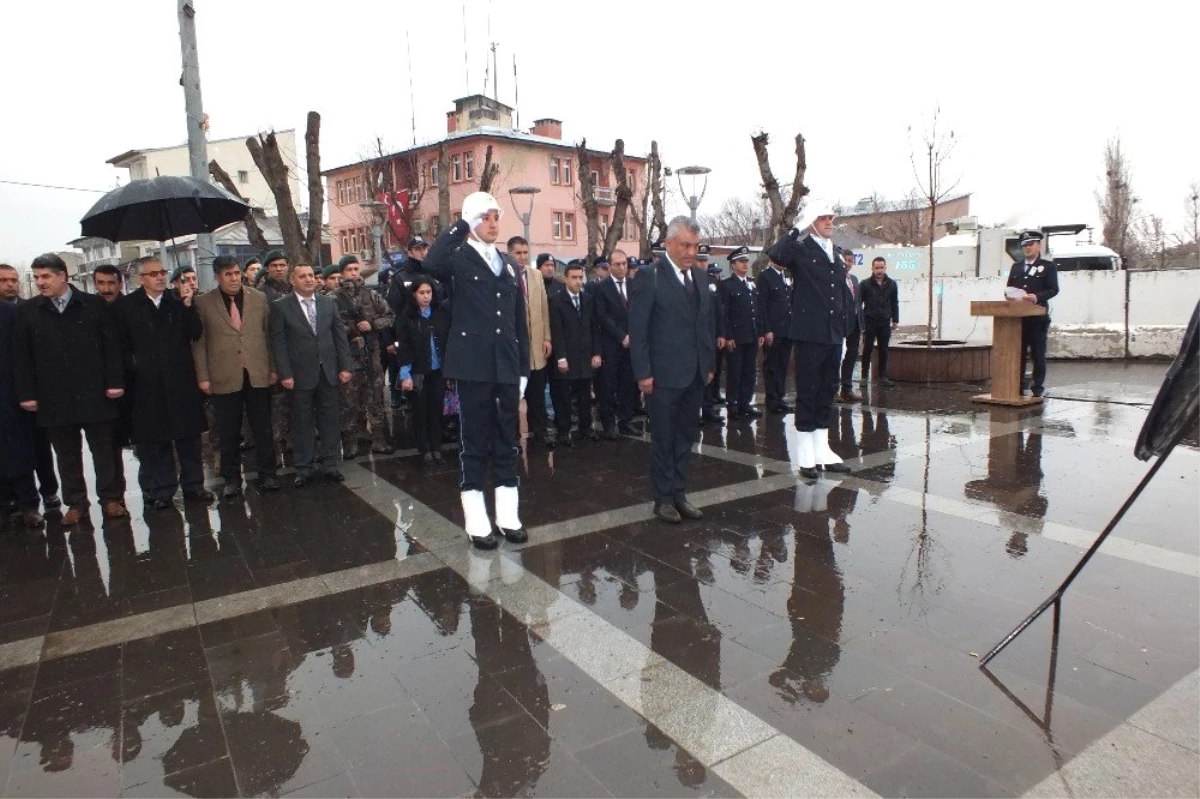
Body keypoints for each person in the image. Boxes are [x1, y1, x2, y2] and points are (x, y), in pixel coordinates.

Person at [424, 192, 530, 550]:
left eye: (496, 217)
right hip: (473, 365)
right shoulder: (458, 259)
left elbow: (519, 321)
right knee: (474, 442)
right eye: (486, 217)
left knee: (506, 439)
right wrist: (462, 223)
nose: (493, 223)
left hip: (505, 364)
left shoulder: (509, 264)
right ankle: (476, 518)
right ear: (472, 221)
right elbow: (432, 263)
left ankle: (507, 514)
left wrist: (524, 368)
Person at [12, 253, 128, 524]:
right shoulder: (29, 312)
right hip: (54, 397)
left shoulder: (93, 305)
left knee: (104, 450)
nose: (40, 282)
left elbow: (112, 347)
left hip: (95, 393)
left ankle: (111, 498)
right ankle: (76, 503)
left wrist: (115, 382)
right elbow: (21, 357)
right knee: (66, 454)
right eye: (37, 277)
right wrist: (27, 394)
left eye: (46, 276)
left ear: (62, 276)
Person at [629, 217, 716, 524]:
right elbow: (638, 331)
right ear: (668, 244)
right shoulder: (649, 277)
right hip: (663, 376)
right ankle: (663, 498)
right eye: (685, 245)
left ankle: (680, 493)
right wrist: (644, 373)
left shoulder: (701, 278)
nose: (692, 252)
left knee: (685, 437)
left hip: (694, 374)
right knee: (664, 438)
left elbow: (706, 325)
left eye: (695, 245)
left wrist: (708, 366)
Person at [113, 256, 213, 509]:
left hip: (180, 380)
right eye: (154, 273)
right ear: (141, 279)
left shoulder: (177, 300)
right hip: (146, 384)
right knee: (156, 441)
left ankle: (194, 486)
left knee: (188, 438)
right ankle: (163, 490)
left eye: (163, 272)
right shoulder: (127, 307)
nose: (160, 277)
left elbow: (195, 333)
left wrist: (189, 306)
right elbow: (120, 346)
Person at [766, 203, 853, 481]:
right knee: (808, 390)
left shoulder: (836, 254)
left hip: (832, 334)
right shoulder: (801, 250)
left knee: (827, 390)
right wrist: (796, 228)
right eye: (823, 218)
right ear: (812, 222)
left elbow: (841, 293)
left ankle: (822, 450)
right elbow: (776, 254)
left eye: (831, 218)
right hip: (809, 333)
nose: (829, 222)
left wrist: (845, 329)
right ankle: (806, 454)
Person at [191, 255, 279, 498]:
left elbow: (267, 334)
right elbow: (199, 344)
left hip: (257, 372)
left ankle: (268, 474)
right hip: (223, 375)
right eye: (227, 274)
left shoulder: (258, 298)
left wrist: (273, 367)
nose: (233, 278)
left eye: (236, 273)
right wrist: (203, 377)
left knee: (263, 427)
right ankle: (230, 478)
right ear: (218, 276)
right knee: (227, 430)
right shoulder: (204, 303)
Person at [270, 264, 353, 486]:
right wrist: (285, 373)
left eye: (310, 276)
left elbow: (339, 337)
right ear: (292, 280)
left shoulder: (328, 303)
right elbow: (278, 343)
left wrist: (345, 366)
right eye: (302, 276)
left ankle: (331, 464)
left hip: (328, 372)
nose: (308, 280)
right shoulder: (281, 307)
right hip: (299, 374)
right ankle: (304, 467)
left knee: (329, 419)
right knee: (302, 421)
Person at [333, 255, 395, 456]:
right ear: (342, 272)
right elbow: (326, 326)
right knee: (348, 401)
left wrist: (372, 324)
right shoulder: (332, 298)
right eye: (349, 269)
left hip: (371, 354)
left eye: (355, 268)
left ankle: (379, 439)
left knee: (375, 398)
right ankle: (350, 443)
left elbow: (390, 316)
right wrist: (347, 330)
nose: (353, 273)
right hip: (348, 357)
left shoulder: (372, 295)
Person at [394, 276, 451, 462]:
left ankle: (437, 448)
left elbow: (446, 341)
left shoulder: (439, 313)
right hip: (418, 371)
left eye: (429, 292)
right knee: (420, 410)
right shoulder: (407, 317)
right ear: (414, 294)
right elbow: (404, 347)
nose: (426, 297)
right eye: (422, 293)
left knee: (436, 410)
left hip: (438, 371)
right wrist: (405, 374)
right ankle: (425, 448)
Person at [507, 236, 553, 449]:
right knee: (514, 395)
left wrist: (547, 337)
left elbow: (544, 308)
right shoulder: (502, 276)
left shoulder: (535, 275)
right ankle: (513, 437)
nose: (522, 257)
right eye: (518, 253)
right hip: (514, 349)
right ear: (510, 253)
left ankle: (540, 433)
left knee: (537, 394)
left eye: (525, 252)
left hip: (536, 348)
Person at [549, 262, 602, 446]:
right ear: (565, 279)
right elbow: (557, 331)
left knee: (585, 395)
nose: (578, 281)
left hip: (585, 355)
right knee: (564, 396)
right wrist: (560, 357)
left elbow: (594, 327)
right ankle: (564, 431)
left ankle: (585, 428)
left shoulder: (588, 298)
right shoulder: (556, 300)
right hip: (567, 356)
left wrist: (597, 353)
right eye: (574, 277)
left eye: (581, 277)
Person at [0, 299, 42, 529]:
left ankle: (28, 506)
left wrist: (26, 390)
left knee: (17, 451)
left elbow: (22, 354)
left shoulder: (9, 312)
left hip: (8, 393)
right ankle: (4, 507)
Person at [1006, 230, 1059, 397]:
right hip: (1018, 319)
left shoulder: (1047, 267)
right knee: (1018, 354)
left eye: (1031, 244)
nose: (1027, 248)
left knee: (1037, 354)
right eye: (1024, 245)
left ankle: (1037, 389)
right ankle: (1017, 387)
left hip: (1037, 318)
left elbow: (1053, 289)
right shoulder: (1016, 267)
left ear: (1039, 246)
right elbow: (1009, 289)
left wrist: (1036, 297)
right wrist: (1011, 296)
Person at [594, 249, 638, 438]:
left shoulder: (634, 284)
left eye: (624, 264)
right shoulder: (601, 287)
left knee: (628, 385)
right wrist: (622, 336)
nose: (622, 268)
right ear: (609, 266)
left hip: (633, 345)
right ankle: (609, 424)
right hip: (611, 346)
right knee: (608, 387)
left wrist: (634, 335)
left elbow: (640, 312)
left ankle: (626, 421)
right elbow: (603, 316)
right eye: (617, 264)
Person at [720, 246, 765, 419]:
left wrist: (760, 332)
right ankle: (733, 405)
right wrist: (728, 335)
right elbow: (725, 313)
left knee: (749, 372)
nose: (745, 264)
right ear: (733, 264)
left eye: (746, 261)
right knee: (735, 372)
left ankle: (745, 403)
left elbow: (757, 310)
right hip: (736, 337)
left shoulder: (751, 284)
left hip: (751, 335)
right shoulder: (727, 285)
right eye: (741, 261)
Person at [257, 250, 292, 455]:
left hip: (296, 355)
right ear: (267, 269)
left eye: (282, 265)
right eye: (274, 265)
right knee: (277, 406)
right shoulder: (261, 294)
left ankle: (294, 444)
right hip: (273, 356)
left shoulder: (293, 289)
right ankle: (276, 450)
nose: (279, 269)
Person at [758, 252, 794, 413]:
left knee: (783, 365)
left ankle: (780, 396)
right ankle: (772, 399)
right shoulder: (765, 277)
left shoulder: (785, 276)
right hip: (773, 329)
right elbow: (762, 305)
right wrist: (766, 330)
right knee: (772, 365)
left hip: (787, 329)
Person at [860, 256, 899, 387]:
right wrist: (861, 323)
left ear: (885, 268)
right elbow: (858, 304)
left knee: (884, 349)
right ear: (872, 268)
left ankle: (883, 377)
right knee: (867, 349)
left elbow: (894, 302)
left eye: (881, 267)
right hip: (869, 321)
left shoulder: (892, 284)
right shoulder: (865, 284)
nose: (879, 270)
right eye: (877, 268)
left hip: (884, 321)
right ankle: (864, 376)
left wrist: (895, 320)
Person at [700, 257, 727, 426]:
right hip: (693, 338)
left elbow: (719, 311)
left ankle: (708, 409)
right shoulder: (687, 281)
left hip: (710, 336)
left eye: (704, 260)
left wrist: (721, 334)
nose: (702, 263)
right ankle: (694, 412)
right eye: (699, 260)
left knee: (710, 373)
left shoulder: (712, 282)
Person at [838, 249, 864, 402]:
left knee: (852, 354)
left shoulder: (854, 279)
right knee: (836, 356)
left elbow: (858, 303)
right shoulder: (835, 278)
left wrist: (862, 324)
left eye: (850, 261)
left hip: (855, 323)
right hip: (840, 323)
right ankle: (833, 389)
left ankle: (846, 389)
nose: (848, 264)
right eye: (846, 261)